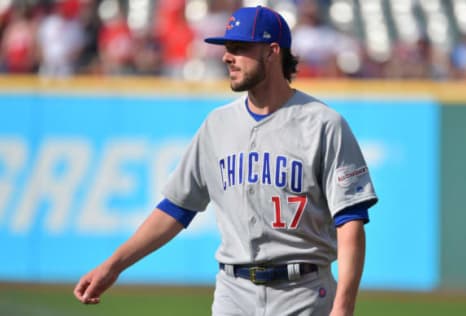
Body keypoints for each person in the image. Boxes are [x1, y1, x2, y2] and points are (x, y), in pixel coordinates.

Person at [73, 5, 378, 316]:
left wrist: (343, 307)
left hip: (304, 293)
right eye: (226, 48)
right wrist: (113, 266)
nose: (226, 56)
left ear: (272, 52)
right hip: (234, 294)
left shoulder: (324, 124)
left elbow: (350, 221)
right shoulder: (217, 125)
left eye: (239, 47)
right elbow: (176, 208)